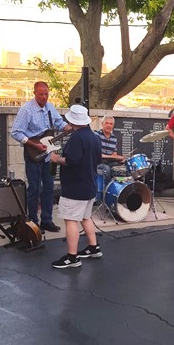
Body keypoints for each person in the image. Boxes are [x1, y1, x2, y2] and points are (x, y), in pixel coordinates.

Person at [11, 81, 72, 232]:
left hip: (48, 155)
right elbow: (16, 132)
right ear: (34, 94)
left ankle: (47, 220)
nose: (44, 97)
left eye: (46, 94)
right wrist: (34, 145)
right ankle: (33, 222)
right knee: (34, 188)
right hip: (33, 152)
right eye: (41, 94)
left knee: (49, 187)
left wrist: (70, 128)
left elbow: (58, 123)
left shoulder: (50, 107)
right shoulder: (26, 110)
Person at [50, 105, 102, 269]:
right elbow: (98, 159)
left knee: (71, 220)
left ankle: (72, 257)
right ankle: (93, 247)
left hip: (75, 187)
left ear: (72, 121)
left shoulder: (76, 138)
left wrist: (56, 158)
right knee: (86, 217)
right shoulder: (94, 137)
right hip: (90, 185)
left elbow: (70, 160)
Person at [94, 115, 126, 182]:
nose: (108, 125)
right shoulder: (96, 135)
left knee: (122, 169)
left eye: (111, 124)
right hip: (97, 163)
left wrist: (121, 159)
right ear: (102, 124)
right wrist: (116, 157)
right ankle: (106, 189)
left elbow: (114, 155)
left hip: (109, 162)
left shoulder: (114, 138)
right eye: (107, 123)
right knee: (107, 169)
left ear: (113, 126)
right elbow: (98, 154)